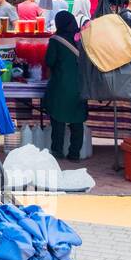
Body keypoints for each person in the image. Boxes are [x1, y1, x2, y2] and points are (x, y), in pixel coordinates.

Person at [44, 11, 88, 160]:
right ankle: (74, 153)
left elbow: (50, 61)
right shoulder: (82, 39)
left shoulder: (56, 40)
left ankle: (57, 151)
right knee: (77, 119)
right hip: (80, 84)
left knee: (58, 118)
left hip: (61, 84)